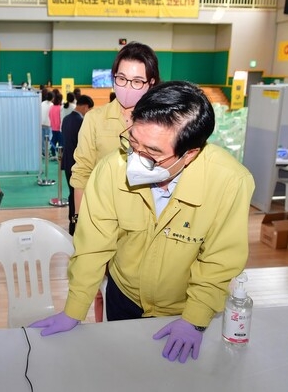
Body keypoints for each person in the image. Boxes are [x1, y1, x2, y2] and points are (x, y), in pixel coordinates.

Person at [31, 81, 255, 364]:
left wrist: (195, 318)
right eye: (132, 142)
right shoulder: (112, 169)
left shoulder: (230, 182)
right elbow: (93, 246)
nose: (135, 159)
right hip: (123, 296)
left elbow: (220, 261)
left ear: (190, 154)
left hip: (184, 307)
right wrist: (74, 309)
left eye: (152, 153)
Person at [71, 41, 161, 320]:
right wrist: (80, 222)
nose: (127, 87)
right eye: (121, 79)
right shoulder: (96, 119)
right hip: (106, 221)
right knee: (103, 289)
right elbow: (82, 173)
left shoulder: (160, 122)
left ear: (151, 83)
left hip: (148, 224)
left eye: (136, 81)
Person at [60, 95, 94, 235]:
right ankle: (77, 225)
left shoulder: (67, 119)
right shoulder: (81, 121)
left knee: (71, 193)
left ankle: (72, 222)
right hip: (78, 165)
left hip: (67, 162)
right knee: (78, 194)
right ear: (85, 106)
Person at [48, 92, 63, 160]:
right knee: (60, 142)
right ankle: (59, 155)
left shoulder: (51, 107)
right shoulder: (60, 108)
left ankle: (53, 153)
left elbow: (49, 116)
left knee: (53, 141)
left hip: (53, 127)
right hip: (59, 128)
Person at [40, 90, 54, 157]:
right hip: (48, 124)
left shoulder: (42, 103)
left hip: (41, 123)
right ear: (52, 98)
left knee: (42, 139)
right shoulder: (52, 105)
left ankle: (43, 152)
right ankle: (46, 152)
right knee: (48, 140)